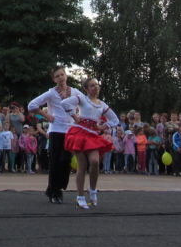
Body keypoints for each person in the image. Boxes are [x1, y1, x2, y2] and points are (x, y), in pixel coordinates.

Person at [61, 78, 119, 209]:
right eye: (92, 85)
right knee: (82, 165)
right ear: (86, 89)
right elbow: (65, 103)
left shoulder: (102, 104)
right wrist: (74, 116)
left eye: (97, 85)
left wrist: (104, 126)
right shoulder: (81, 98)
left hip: (92, 135)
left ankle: (92, 190)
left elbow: (114, 119)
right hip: (79, 133)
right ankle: (80, 196)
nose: (95, 87)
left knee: (95, 162)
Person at [29, 66, 82, 204]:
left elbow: (85, 104)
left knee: (65, 161)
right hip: (56, 130)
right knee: (55, 162)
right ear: (54, 79)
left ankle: (53, 188)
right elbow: (32, 105)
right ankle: (55, 192)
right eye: (57, 76)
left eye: (62, 75)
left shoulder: (75, 92)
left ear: (66, 76)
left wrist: (79, 117)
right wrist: (46, 115)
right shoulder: (51, 93)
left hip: (70, 131)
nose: (60, 78)